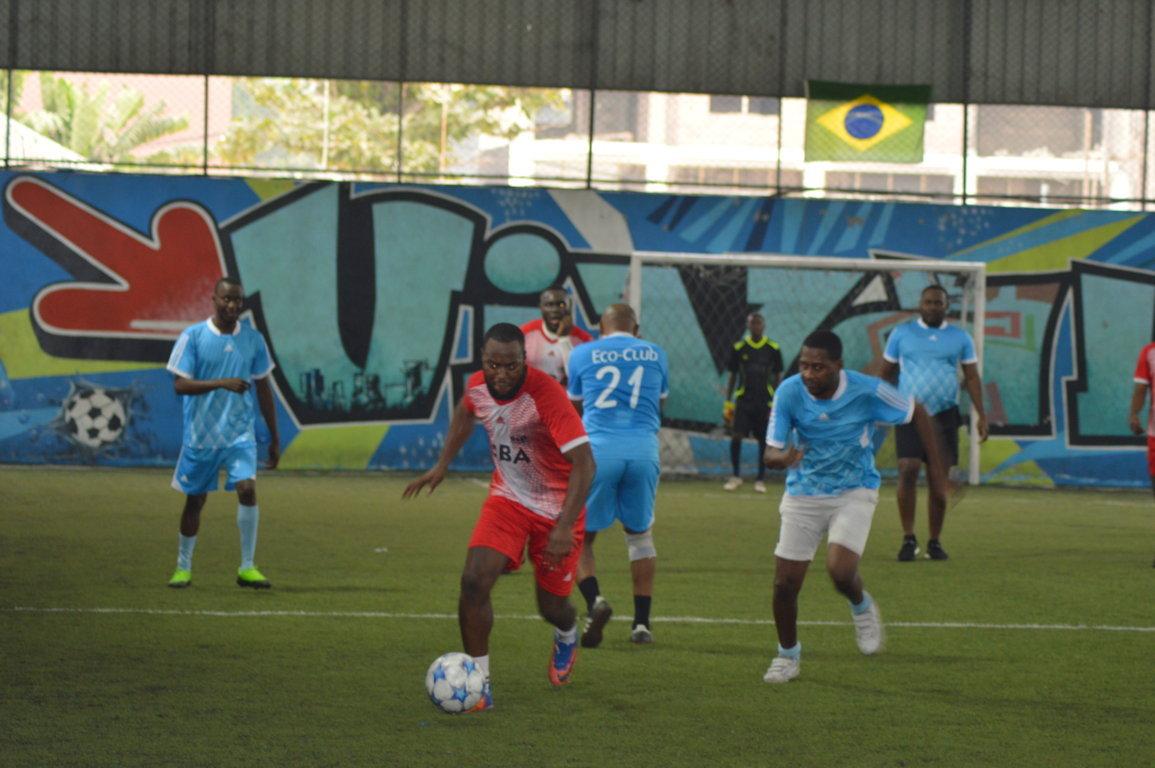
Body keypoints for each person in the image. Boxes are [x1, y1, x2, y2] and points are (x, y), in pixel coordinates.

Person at [402, 323, 596, 711]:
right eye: (494, 365)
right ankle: (480, 683)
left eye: (511, 366)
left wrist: (562, 526)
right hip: (508, 499)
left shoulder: (546, 396)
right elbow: (464, 413)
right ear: (484, 361)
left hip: (558, 511)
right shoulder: (477, 385)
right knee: (473, 581)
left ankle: (567, 632)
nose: (502, 374)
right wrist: (442, 465)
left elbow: (586, 465)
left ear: (524, 360)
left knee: (551, 606)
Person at [761, 330, 948, 684]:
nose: (809, 374)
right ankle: (788, 656)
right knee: (784, 585)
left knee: (840, 572)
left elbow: (917, 412)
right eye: (804, 366)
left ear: (838, 366)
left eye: (818, 367)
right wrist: (782, 458)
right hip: (803, 493)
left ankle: (861, 607)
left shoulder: (867, 390)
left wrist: (937, 471)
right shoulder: (789, 392)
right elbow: (770, 450)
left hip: (854, 491)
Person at [166, 277, 280, 590]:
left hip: (239, 434)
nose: (232, 305)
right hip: (201, 436)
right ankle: (183, 567)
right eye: (227, 299)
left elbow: (264, 389)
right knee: (195, 501)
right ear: (214, 299)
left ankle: (247, 567)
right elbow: (179, 384)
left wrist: (274, 437)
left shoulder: (253, 340)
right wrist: (221, 382)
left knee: (247, 489)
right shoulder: (193, 337)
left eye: (238, 301)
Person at [566, 303, 669, 646]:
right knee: (640, 536)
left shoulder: (582, 354)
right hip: (643, 449)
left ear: (600, 327)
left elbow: (575, 408)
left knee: (581, 536)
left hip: (599, 451)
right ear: (636, 329)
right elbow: (661, 405)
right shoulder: (656, 353)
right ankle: (641, 625)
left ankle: (595, 601)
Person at [880, 284, 988, 561]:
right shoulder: (901, 334)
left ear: (946, 306)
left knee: (939, 482)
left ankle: (935, 541)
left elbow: (972, 377)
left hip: (945, 415)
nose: (932, 307)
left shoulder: (960, 338)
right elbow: (886, 373)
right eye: (927, 302)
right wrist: (877, 407)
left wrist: (982, 415)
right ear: (920, 304)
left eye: (937, 303)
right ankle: (908, 538)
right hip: (909, 412)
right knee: (907, 467)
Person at [723, 312, 784, 493]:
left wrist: (776, 399)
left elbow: (778, 374)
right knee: (736, 437)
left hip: (764, 401)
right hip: (744, 400)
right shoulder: (739, 348)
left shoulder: (773, 348)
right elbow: (733, 375)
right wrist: (728, 402)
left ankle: (760, 479)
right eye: (752, 323)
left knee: (763, 440)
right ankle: (735, 476)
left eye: (758, 323)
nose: (755, 326)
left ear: (763, 326)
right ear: (748, 326)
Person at [521, 286, 592, 385]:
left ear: (569, 307)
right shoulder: (524, 334)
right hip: (533, 396)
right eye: (549, 305)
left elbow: (579, 380)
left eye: (561, 304)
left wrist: (564, 339)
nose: (555, 310)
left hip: (566, 398)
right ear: (541, 307)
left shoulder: (584, 340)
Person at [1128, 341, 1155, 568]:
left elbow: (1140, 388)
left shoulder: (1150, 351)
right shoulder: (1148, 351)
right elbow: (1141, 387)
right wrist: (1135, 414)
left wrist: (1134, 415)